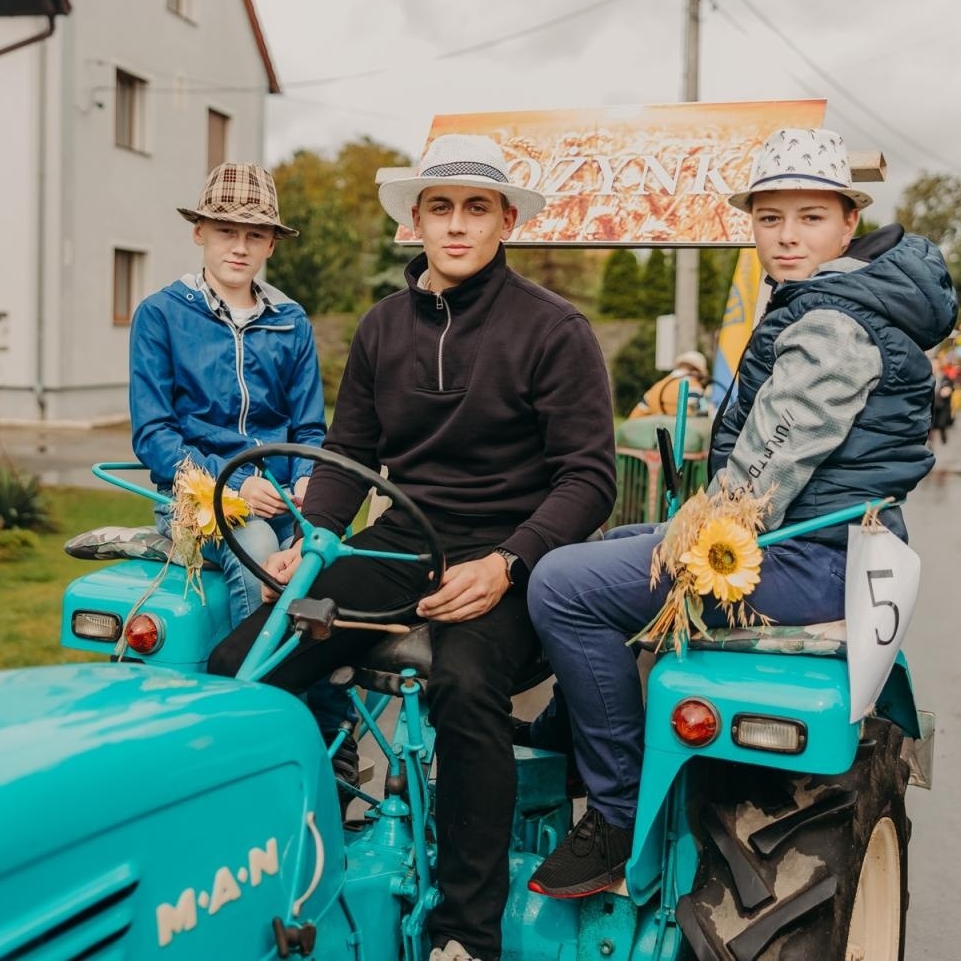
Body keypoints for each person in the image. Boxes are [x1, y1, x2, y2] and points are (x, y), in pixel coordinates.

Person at [208, 134, 617, 961]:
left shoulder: (553, 330)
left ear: (506, 220)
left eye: (475, 208)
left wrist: (509, 563)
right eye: (440, 208)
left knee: (466, 685)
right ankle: (279, 875)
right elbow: (350, 457)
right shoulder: (382, 328)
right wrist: (316, 543)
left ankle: (465, 934)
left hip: (516, 551)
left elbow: (589, 480)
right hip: (402, 537)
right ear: (416, 223)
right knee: (243, 666)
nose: (457, 226)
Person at [522, 127, 958, 899]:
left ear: (848, 223)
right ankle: (573, 721)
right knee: (624, 543)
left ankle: (617, 817)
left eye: (810, 217)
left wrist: (695, 522)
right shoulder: (847, 297)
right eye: (770, 218)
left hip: (810, 554)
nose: (788, 235)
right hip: (833, 540)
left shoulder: (834, 322)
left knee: (562, 583)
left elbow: (762, 474)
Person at [127, 162, 350, 747]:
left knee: (330, 562)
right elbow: (154, 433)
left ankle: (334, 731)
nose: (240, 246)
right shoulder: (162, 315)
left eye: (255, 235)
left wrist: (306, 483)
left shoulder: (290, 321)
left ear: (272, 242)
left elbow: (307, 427)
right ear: (200, 232)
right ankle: (263, 733)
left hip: (283, 499)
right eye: (227, 231)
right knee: (255, 554)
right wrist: (226, 488)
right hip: (198, 496)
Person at [627, 349, 710, 419]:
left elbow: (634, 416)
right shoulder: (693, 386)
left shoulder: (657, 386)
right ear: (697, 372)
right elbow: (698, 416)